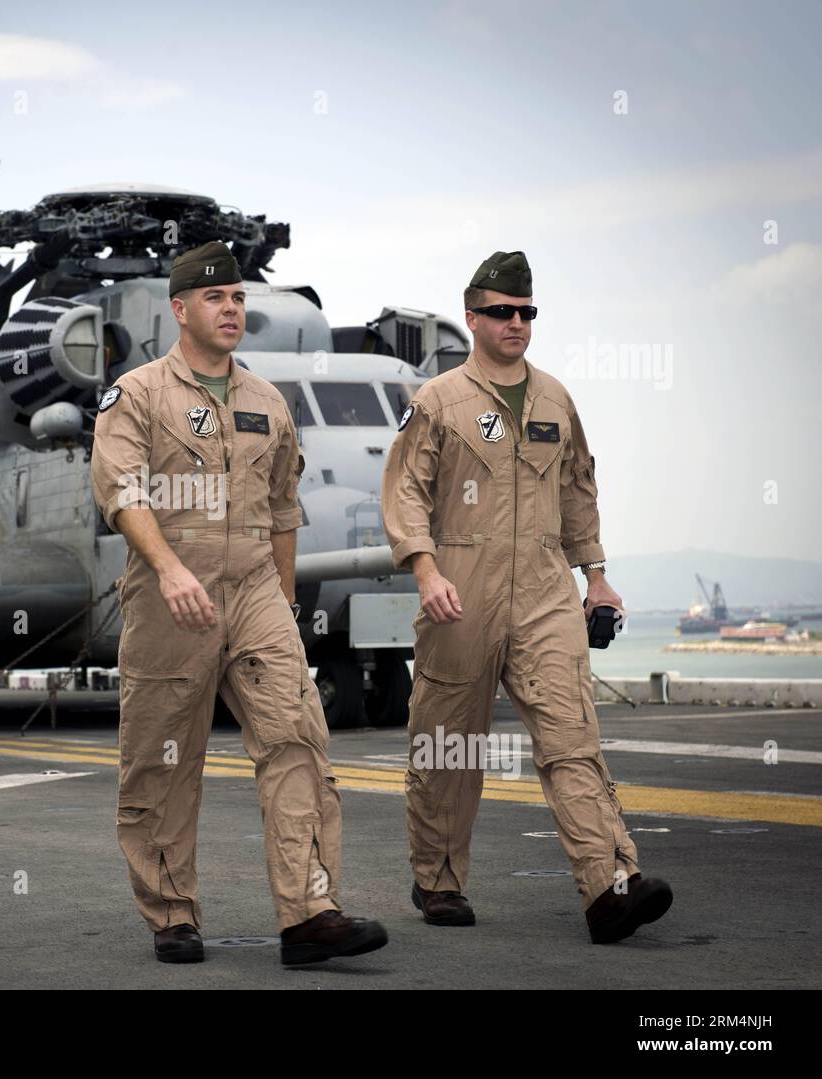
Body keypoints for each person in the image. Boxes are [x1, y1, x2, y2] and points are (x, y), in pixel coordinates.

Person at [91, 240, 387, 965]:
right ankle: (173, 914)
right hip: (171, 595)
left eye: (238, 299)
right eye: (216, 298)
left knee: (298, 740)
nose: (231, 310)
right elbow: (121, 493)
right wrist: (166, 568)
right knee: (162, 761)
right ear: (181, 308)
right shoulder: (137, 396)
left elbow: (285, 509)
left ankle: (310, 911)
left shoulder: (266, 402)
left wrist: (283, 605)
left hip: (254, 591)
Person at [380, 251, 673, 944]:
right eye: (504, 312)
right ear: (474, 316)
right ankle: (440, 879)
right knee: (449, 744)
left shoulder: (555, 400)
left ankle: (609, 886)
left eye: (527, 313)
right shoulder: (437, 402)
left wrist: (595, 574)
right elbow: (405, 494)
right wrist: (426, 570)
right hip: (461, 585)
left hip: (545, 589)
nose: (518, 323)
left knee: (573, 738)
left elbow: (578, 490)